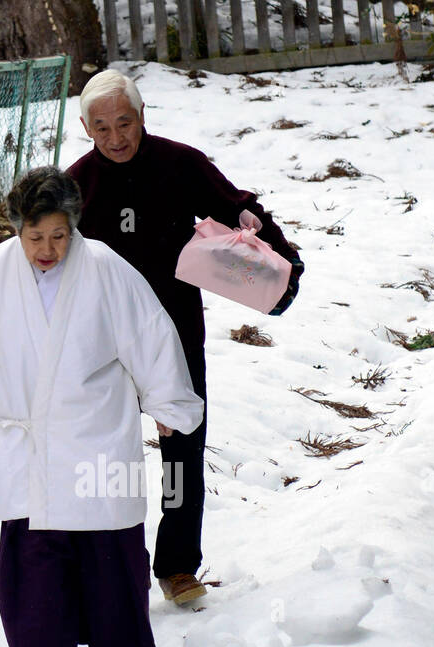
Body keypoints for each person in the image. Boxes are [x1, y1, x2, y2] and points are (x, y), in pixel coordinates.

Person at [0, 166, 204, 647]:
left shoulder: (103, 268)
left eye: (59, 236)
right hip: (23, 436)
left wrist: (165, 403)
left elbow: (148, 333)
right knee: (35, 549)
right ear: (16, 230)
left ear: (74, 226)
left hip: (95, 429)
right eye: (35, 238)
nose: (48, 249)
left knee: (106, 544)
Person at [67, 69, 304, 607]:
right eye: (101, 127)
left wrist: (282, 261)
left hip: (174, 328)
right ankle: (110, 563)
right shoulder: (76, 184)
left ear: (142, 115)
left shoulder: (180, 163)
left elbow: (239, 209)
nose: (115, 137)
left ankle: (176, 565)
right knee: (107, 451)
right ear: (86, 127)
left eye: (124, 123)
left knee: (181, 446)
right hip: (106, 339)